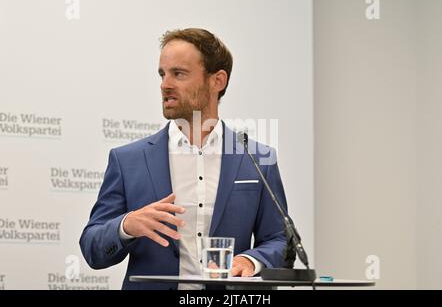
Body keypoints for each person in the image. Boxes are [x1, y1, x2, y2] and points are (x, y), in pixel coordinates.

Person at [79, 28, 288, 290]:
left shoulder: (257, 159)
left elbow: (280, 240)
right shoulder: (127, 160)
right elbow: (91, 248)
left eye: (178, 74)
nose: (165, 84)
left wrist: (251, 260)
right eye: (162, 74)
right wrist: (126, 226)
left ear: (217, 81)